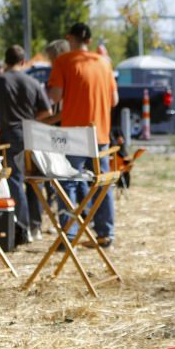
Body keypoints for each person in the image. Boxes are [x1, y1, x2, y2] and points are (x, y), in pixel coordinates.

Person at [47, 22, 117, 247]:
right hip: (100, 133)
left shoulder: (63, 61)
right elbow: (114, 100)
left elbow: (55, 97)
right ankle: (105, 233)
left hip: (74, 134)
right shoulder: (104, 63)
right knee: (101, 183)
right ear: (89, 40)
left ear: (70, 38)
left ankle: (68, 234)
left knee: (67, 181)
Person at [0, 44, 54, 243]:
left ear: (6, 61)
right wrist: (32, 118)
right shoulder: (33, 82)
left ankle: (22, 228)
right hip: (33, 134)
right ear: (23, 61)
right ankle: (36, 226)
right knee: (34, 180)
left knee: (15, 181)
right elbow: (47, 112)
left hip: (10, 135)